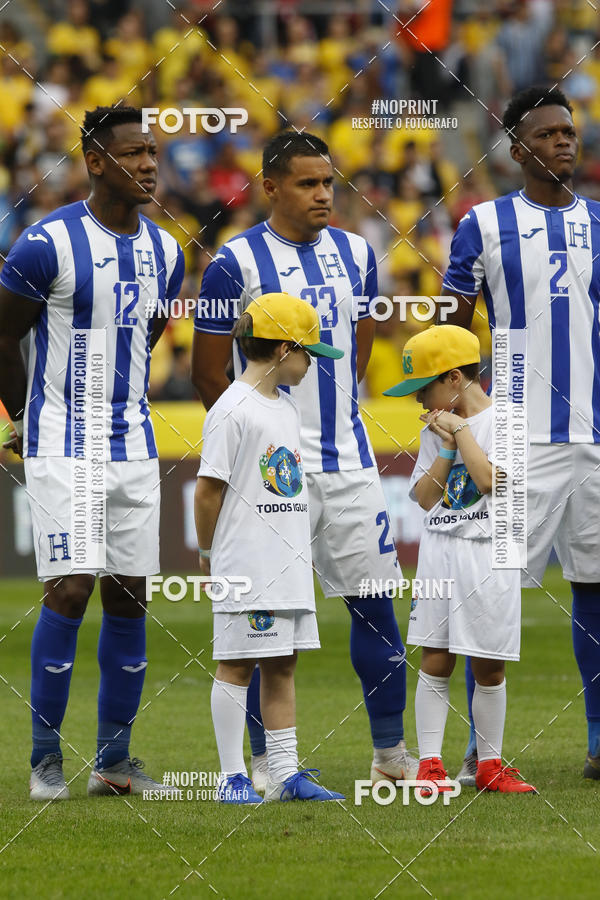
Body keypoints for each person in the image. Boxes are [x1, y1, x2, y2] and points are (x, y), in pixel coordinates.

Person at [192, 131, 418, 790]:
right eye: (307, 183)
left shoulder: (357, 254)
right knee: (267, 622)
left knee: (376, 606)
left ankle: (390, 753)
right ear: (270, 186)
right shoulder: (234, 263)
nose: (323, 195)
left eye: (329, 183)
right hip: (274, 474)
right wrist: (264, 439)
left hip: (348, 462)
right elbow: (212, 376)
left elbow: (358, 347)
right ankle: (267, 765)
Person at [0, 106, 184, 799]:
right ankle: (45, 758)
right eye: (134, 152)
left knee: (130, 596)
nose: (147, 165)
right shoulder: (45, 243)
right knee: (72, 588)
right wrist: (21, 418)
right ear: (95, 160)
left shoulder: (167, 250)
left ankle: (115, 762)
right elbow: (3, 336)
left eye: (154, 154)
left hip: (134, 444)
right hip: (62, 443)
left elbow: (153, 328)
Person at [441, 85, 600, 781]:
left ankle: (598, 742)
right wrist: (465, 413)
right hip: (519, 441)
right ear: (517, 150)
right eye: (548, 133)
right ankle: (484, 747)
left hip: (594, 438)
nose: (564, 141)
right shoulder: (482, 224)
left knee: (596, 586)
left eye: (569, 131)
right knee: (496, 586)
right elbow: (452, 331)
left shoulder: (599, 221)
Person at [195, 292, 345, 803]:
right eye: (308, 354)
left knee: (282, 662)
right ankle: (232, 775)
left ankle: (284, 774)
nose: (311, 366)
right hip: (247, 562)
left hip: (287, 561)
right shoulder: (232, 409)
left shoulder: (284, 405)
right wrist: (210, 555)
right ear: (284, 350)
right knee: (236, 663)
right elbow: (207, 489)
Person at [384, 325, 536, 793]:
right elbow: (425, 497)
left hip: (489, 550)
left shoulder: (507, 420)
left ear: (453, 378)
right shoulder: (440, 426)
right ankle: (430, 761)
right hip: (440, 549)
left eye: (423, 388)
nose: (418, 402)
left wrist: (461, 431)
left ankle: (490, 765)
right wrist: (446, 445)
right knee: (436, 655)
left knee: (489, 663)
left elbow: (492, 482)